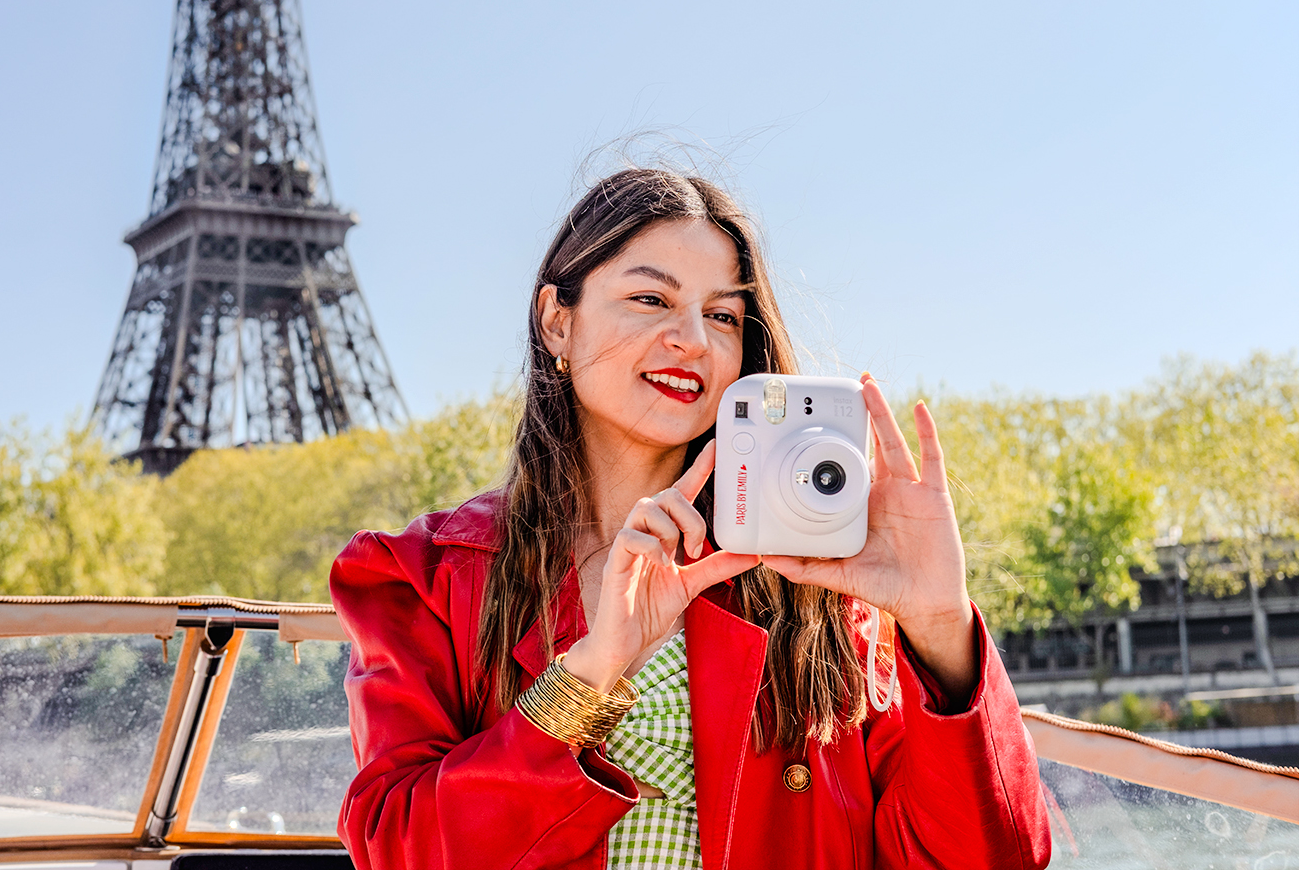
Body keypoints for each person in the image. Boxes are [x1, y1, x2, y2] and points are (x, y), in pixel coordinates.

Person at [330, 168, 1050, 869]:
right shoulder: (421, 574)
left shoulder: (821, 587)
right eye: (651, 299)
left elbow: (993, 859)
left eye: (723, 316)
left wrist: (942, 627)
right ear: (557, 321)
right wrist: (595, 670)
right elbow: (400, 849)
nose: (694, 341)